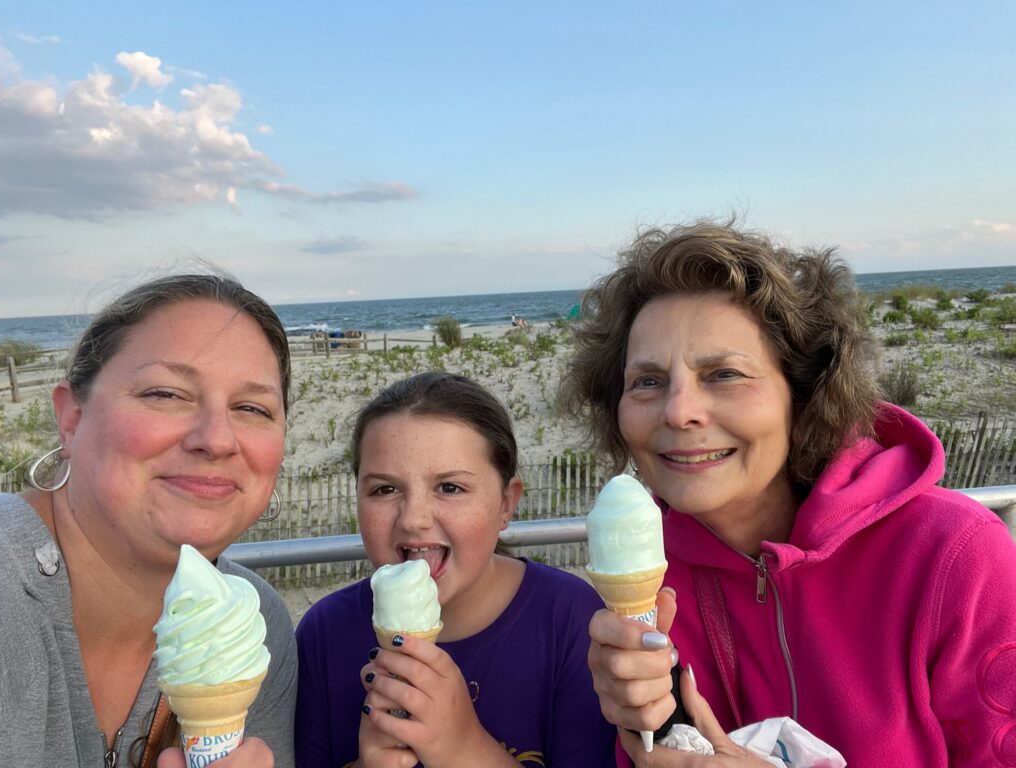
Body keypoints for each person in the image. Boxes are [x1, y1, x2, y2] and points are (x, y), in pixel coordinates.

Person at [558, 221, 1016, 767]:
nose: (678, 411)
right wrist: (649, 726)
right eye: (648, 381)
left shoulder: (956, 556)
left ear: (802, 394)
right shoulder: (653, 584)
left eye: (724, 374)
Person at [0, 273, 297, 767]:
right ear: (71, 418)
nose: (217, 439)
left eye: (251, 407)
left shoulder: (257, 622)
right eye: (165, 394)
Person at [295, 372, 617, 767]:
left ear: (506, 503)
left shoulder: (570, 620)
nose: (413, 519)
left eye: (450, 487)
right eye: (384, 489)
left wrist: (463, 748)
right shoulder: (323, 634)